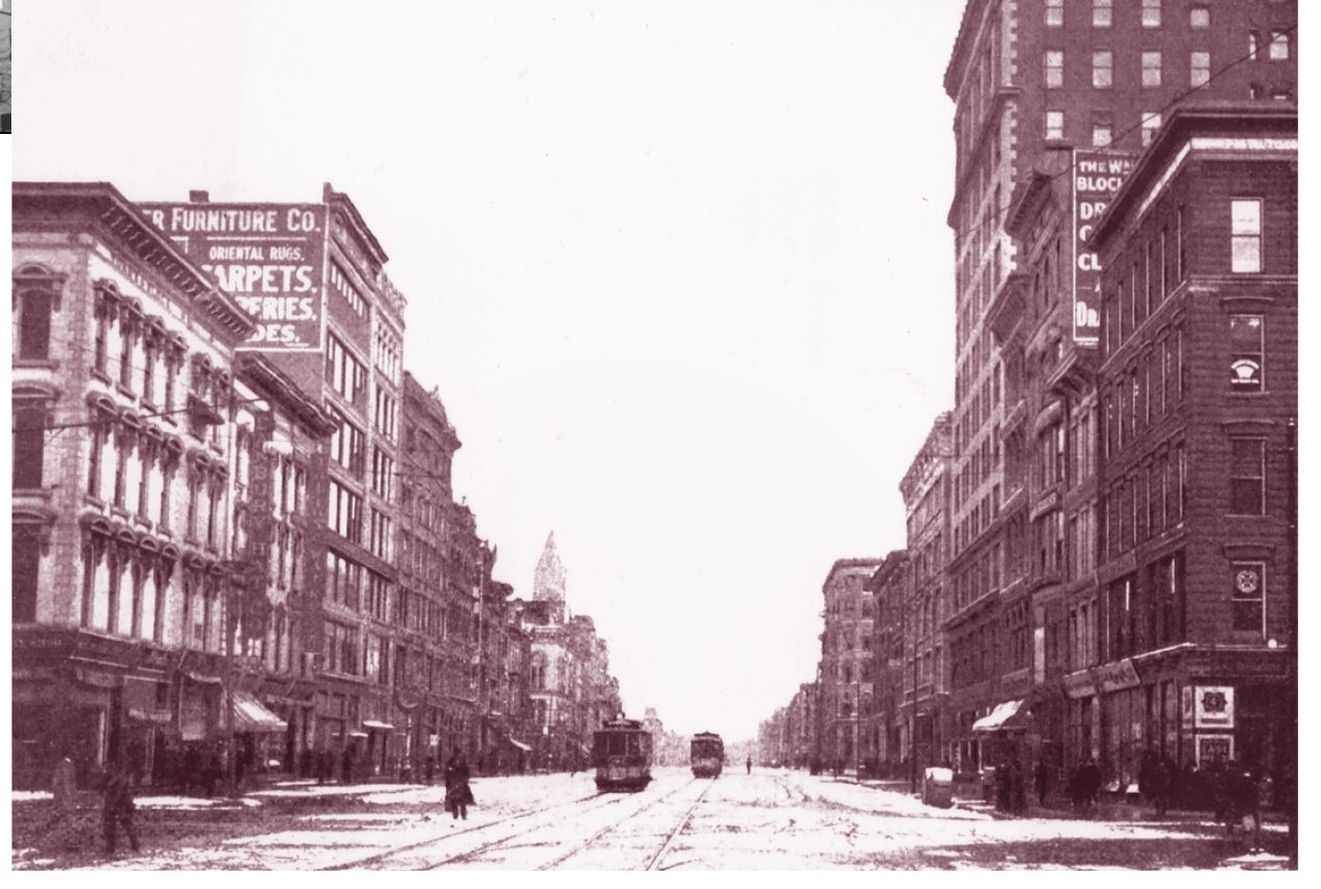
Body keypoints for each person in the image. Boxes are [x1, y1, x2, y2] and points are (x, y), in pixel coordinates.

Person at [102, 762, 140, 855]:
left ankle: (135, 846)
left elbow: (120, 791)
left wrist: (113, 803)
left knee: (126, 823)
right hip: (114, 802)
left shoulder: (120, 777)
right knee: (110, 825)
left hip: (121, 803)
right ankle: (110, 848)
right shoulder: (112, 777)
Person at [444, 750, 474, 821]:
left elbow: (466, 773)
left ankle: (464, 816)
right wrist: (450, 781)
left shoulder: (463, 764)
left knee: (462, 801)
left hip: (461, 785)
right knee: (453, 800)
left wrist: (464, 781)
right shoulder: (450, 763)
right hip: (452, 784)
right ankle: (455, 816)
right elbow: (446, 773)